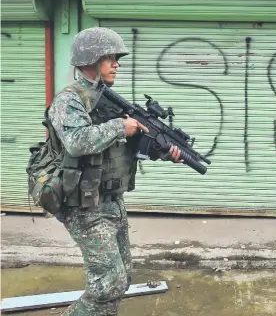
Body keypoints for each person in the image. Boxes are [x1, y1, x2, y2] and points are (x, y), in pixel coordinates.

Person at [49, 27, 182, 315]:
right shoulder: (69, 100)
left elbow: (122, 147)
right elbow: (76, 142)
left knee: (120, 280)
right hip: (84, 205)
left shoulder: (105, 98)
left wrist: (164, 152)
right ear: (90, 59)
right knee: (108, 283)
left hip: (111, 201)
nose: (116, 64)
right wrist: (120, 126)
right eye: (110, 58)